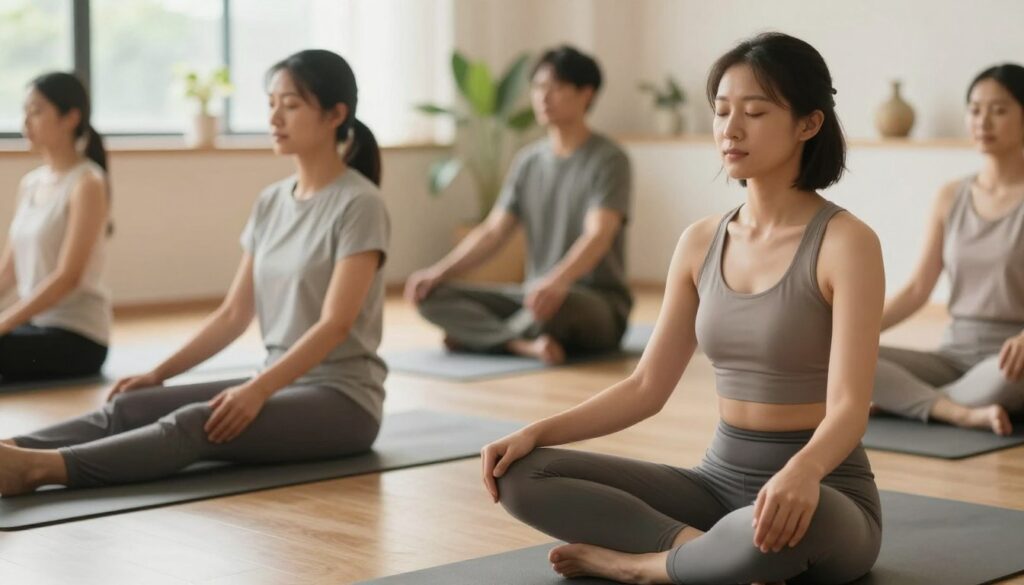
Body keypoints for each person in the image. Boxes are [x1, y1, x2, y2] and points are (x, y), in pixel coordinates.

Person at [480, 33, 884, 584]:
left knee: (791, 526)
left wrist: (802, 471)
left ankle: (644, 568)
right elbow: (647, 387)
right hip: (717, 485)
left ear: (808, 124)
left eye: (755, 111)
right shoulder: (700, 242)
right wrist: (537, 432)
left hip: (822, 490)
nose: (730, 129)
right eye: (721, 111)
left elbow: (849, 407)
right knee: (522, 474)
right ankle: (698, 553)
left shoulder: (846, 243)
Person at [0, 49, 390, 495]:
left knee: (195, 423)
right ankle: (13, 449)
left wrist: (257, 390)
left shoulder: (361, 204)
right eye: (271, 104)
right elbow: (232, 316)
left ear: (336, 114)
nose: (275, 117)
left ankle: (37, 470)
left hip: (343, 401)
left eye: (292, 105)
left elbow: (335, 325)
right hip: (277, 381)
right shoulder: (271, 202)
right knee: (133, 405)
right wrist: (157, 373)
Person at [406, 45, 632, 365]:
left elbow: (599, 235)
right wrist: (438, 272)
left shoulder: (609, 159)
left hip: (592, 303)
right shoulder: (528, 162)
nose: (543, 96)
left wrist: (557, 281)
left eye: (556, 87)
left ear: (586, 93)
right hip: (533, 297)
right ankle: (519, 344)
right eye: (539, 87)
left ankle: (485, 337)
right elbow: (492, 233)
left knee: (556, 303)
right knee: (431, 297)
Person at [871, 63, 1024, 436]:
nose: (982, 121)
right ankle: (957, 410)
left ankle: (908, 401)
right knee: (835, 359)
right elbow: (918, 288)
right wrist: (854, 333)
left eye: (999, 110)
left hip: (1010, 361)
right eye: (974, 109)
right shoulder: (950, 196)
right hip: (951, 355)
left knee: (1007, 377)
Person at [0, 72, 111, 382]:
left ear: (70, 117)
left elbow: (68, 277)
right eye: (24, 111)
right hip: (36, 327)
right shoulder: (31, 183)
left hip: (77, 336)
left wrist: (5, 322)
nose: (25, 122)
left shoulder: (87, 183)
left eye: (36, 111)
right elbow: (9, 272)